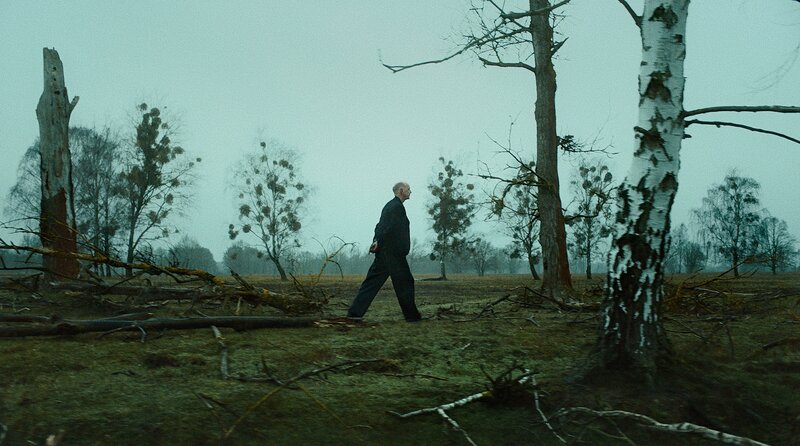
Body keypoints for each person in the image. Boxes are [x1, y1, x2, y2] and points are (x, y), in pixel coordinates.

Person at [347, 182, 422, 322]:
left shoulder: (390, 206)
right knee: (405, 283)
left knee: (372, 283)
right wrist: (380, 242)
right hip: (393, 254)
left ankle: (354, 314)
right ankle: (412, 317)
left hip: (386, 253)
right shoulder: (396, 207)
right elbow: (388, 228)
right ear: (401, 191)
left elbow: (379, 226)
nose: (411, 191)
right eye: (408, 189)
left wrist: (376, 241)